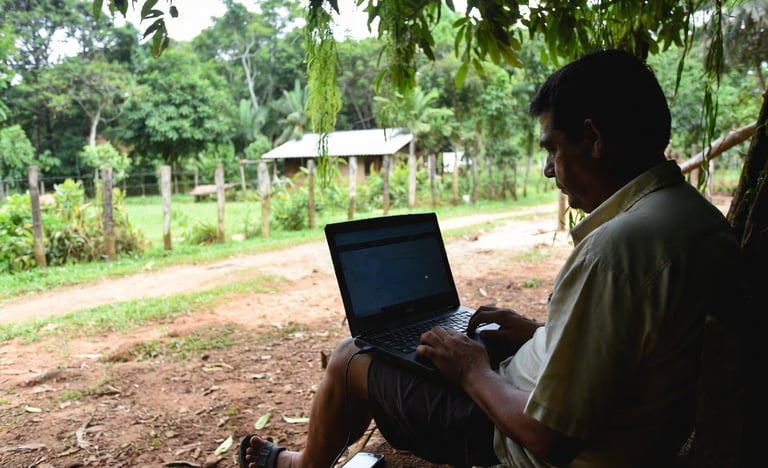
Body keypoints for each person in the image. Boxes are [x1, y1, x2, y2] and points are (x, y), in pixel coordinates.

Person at [238, 49, 740, 468]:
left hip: (515, 438)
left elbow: (550, 439)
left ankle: (299, 465)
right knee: (446, 342)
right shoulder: (695, 219)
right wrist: (537, 333)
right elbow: (628, 347)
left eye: (551, 149)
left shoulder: (615, 251)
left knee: (352, 355)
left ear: (594, 138)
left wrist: (473, 371)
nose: (548, 170)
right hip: (616, 426)